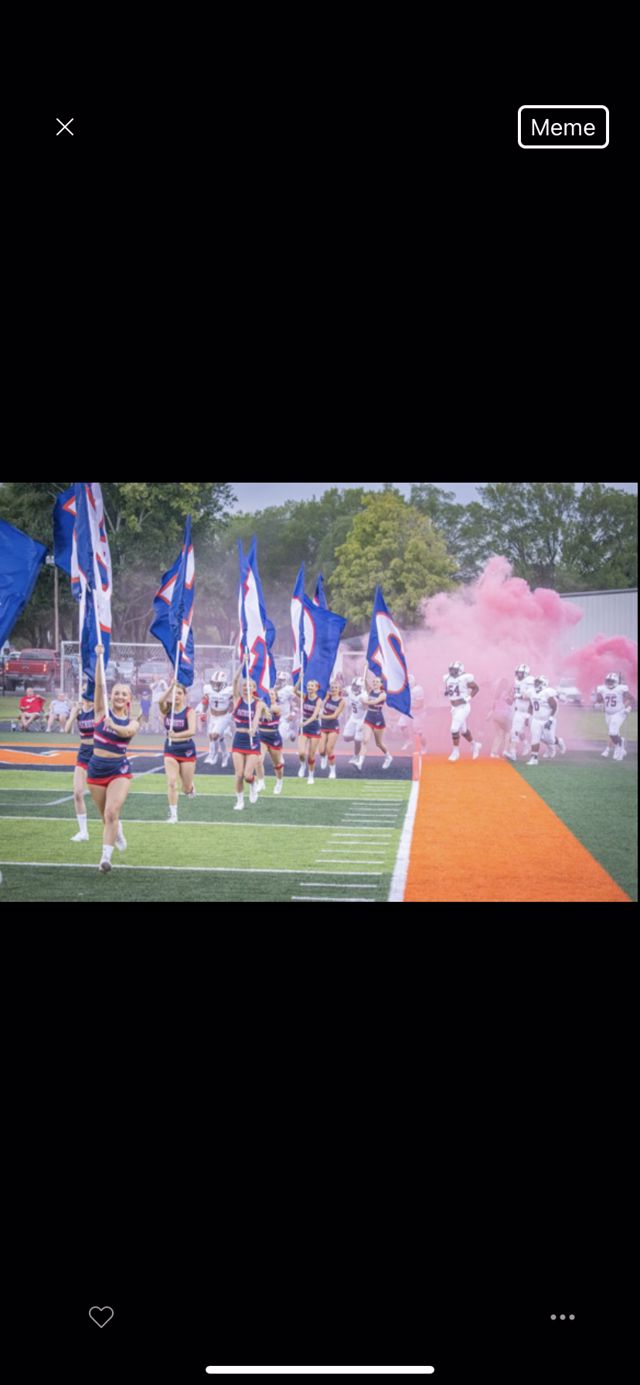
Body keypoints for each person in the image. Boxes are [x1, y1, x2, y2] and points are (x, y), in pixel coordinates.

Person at [87, 645, 140, 872]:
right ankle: (117, 830)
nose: (119, 696)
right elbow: (99, 685)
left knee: (111, 812)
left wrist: (114, 727)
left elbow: (128, 732)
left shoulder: (133, 719)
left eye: (123, 694)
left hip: (119, 769)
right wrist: (100, 658)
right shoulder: (101, 712)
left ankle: (105, 859)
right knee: (106, 816)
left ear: (129, 699)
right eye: (116, 693)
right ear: (111, 696)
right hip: (96, 769)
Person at [160, 681, 197, 822]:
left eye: (179, 693)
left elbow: (192, 731)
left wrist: (175, 735)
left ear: (184, 696)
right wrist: (170, 687)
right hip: (170, 749)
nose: (176, 696)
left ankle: (190, 787)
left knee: (186, 789)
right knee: (171, 782)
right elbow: (160, 701)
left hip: (186, 749)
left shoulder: (189, 712)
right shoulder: (167, 709)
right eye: (174, 693)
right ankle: (173, 814)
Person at [232, 669, 268, 811]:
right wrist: (242, 664)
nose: (246, 688)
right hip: (238, 739)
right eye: (244, 686)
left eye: (250, 686)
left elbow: (256, 718)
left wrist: (253, 729)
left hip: (252, 740)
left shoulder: (258, 703)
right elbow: (234, 681)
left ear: (254, 688)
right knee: (239, 775)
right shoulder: (237, 700)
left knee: (247, 775)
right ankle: (240, 801)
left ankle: (253, 784)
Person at [65, 681, 96, 842]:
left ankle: (115, 825)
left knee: (101, 795)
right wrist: (73, 714)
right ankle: (83, 832)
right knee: (77, 792)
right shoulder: (78, 710)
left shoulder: (99, 709)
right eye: (84, 690)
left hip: (98, 752)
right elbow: (66, 729)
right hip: (84, 752)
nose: (87, 694)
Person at [444, 661, 482, 762]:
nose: (452, 672)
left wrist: (468, 698)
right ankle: (475, 745)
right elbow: (450, 689)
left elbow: (476, 688)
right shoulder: (447, 678)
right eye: (451, 670)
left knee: (454, 728)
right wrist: (447, 692)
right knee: (464, 731)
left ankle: (455, 752)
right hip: (454, 708)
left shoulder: (465, 677)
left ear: (460, 670)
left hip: (463, 707)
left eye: (454, 670)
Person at [527, 677, 567, 766]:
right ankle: (534, 758)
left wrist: (550, 720)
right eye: (536, 682)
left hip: (547, 720)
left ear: (544, 683)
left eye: (538, 682)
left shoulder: (547, 693)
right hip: (536, 720)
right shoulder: (532, 692)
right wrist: (528, 716)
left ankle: (559, 741)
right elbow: (531, 705)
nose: (536, 684)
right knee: (535, 738)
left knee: (550, 740)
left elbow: (555, 707)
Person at [594, 672, 632, 762]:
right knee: (613, 733)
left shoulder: (621, 688)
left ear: (616, 681)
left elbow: (630, 699)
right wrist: (598, 703)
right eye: (608, 681)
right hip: (608, 714)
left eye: (611, 681)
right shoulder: (602, 689)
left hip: (618, 712)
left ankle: (620, 744)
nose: (609, 682)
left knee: (612, 733)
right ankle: (620, 748)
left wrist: (626, 707)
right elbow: (599, 700)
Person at [358, 674, 393, 770]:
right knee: (365, 740)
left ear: (381, 684)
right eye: (374, 681)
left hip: (378, 718)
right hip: (369, 716)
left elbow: (375, 702)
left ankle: (388, 757)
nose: (375, 683)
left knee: (379, 743)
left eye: (377, 682)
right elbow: (366, 684)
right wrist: (364, 678)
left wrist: (364, 702)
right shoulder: (371, 691)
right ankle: (359, 762)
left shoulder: (383, 694)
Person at [257, 688, 286, 795]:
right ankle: (261, 782)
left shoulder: (277, 707)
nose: (270, 696)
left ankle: (279, 782)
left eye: (272, 694)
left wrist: (259, 704)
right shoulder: (260, 705)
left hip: (273, 737)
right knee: (258, 760)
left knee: (277, 764)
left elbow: (270, 709)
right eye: (268, 694)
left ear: (276, 696)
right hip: (261, 736)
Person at [504, 664, 535, 762]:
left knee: (539, 735)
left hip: (530, 711)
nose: (518, 675)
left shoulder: (530, 681)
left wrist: (518, 696)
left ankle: (554, 743)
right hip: (519, 711)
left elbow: (530, 697)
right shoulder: (516, 681)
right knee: (514, 731)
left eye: (520, 673)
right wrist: (510, 699)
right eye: (517, 673)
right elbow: (514, 695)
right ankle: (513, 753)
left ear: (526, 673)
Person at [204, 670, 234, 767]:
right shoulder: (207, 688)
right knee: (214, 737)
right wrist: (203, 712)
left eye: (218, 683)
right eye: (214, 683)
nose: (216, 685)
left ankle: (213, 755)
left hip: (224, 716)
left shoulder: (229, 690)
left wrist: (231, 716)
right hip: (212, 716)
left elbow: (233, 704)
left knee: (214, 735)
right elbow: (205, 702)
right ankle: (225, 755)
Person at [297, 680, 324, 785]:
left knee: (311, 755)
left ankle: (311, 776)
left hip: (313, 726)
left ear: (316, 688)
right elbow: (294, 691)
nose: (310, 687)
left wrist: (304, 723)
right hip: (304, 727)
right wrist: (299, 680)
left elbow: (314, 716)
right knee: (301, 753)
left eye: (312, 686)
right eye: (308, 685)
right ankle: (303, 765)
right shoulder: (304, 697)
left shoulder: (318, 700)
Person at [319, 681, 346, 779]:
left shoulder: (342, 701)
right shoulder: (328, 697)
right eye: (332, 687)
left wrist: (322, 716)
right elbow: (321, 705)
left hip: (333, 726)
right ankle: (323, 756)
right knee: (321, 750)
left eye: (336, 688)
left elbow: (335, 715)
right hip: (324, 725)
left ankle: (332, 771)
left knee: (329, 749)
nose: (334, 689)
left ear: (339, 690)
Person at [344, 677, 368, 768]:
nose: (354, 687)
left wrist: (363, 722)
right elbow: (343, 691)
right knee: (346, 737)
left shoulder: (364, 696)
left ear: (361, 687)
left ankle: (356, 756)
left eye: (357, 686)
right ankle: (358, 739)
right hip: (353, 717)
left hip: (361, 719)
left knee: (357, 740)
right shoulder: (349, 689)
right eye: (354, 685)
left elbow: (367, 710)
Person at [487, 677, 513, 759]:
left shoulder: (496, 694)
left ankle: (493, 752)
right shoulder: (505, 693)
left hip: (495, 716)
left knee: (499, 735)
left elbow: (493, 707)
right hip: (503, 715)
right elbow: (509, 702)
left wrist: (489, 715)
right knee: (509, 732)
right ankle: (506, 750)